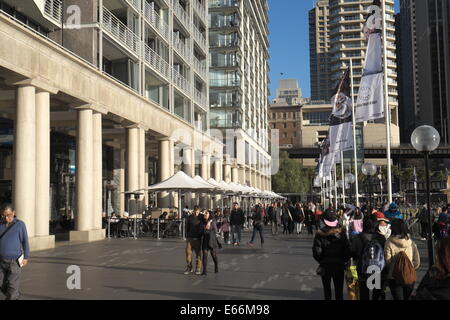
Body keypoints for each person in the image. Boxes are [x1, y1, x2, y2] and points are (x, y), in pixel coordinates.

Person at [312, 209, 350, 300]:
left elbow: (317, 252)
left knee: (327, 291)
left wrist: (322, 261)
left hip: (325, 266)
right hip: (339, 265)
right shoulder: (342, 233)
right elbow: (347, 249)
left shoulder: (320, 234)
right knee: (339, 291)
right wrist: (344, 260)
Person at [350, 215, 387, 300]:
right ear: (376, 224)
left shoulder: (358, 237)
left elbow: (351, 252)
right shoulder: (381, 238)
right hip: (377, 270)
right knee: (376, 295)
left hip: (363, 270)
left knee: (364, 294)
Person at [384, 219, 420, 300]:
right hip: (409, 276)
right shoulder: (411, 243)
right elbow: (417, 262)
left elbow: (387, 261)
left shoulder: (389, 243)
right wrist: (409, 268)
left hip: (394, 277)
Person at [0, 204, 30, 300]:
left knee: (12, 285)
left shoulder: (20, 224)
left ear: (13, 213)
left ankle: (13, 295)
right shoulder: (0, 224)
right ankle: (14, 295)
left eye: (8, 215)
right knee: (1, 283)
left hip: (14, 261)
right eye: (4, 215)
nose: (6, 217)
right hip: (1, 260)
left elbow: (25, 241)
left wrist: (26, 257)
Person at [184, 206, 203, 275]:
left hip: (198, 238)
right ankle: (189, 267)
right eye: (195, 211)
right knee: (188, 253)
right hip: (190, 238)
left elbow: (210, 217)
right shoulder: (189, 217)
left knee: (198, 254)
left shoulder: (202, 217)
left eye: (197, 211)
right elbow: (187, 227)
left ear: (199, 211)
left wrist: (210, 221)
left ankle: (198, 269)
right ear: (193, 211)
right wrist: (187, 236)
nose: (196, 213)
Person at [201, 211, 219, 275]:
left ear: (209, 215)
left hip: (211, 240)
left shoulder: (213, 221)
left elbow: (216, 230)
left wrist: (209, 222)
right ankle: (204, 271)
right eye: (204, 213)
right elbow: (202, 230)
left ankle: (216, 265)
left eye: (206, 213)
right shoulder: (202, 221)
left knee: (213, 255)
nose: (205, 214)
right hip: (205, 240)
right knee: (204, 255)